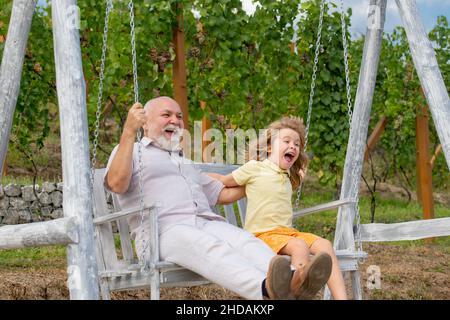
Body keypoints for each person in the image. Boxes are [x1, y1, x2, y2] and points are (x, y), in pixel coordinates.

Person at [104, 96, 304, 300]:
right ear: (144, 123)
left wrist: (265, 173)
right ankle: (266, 290)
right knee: (208, 246)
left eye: (179, 116)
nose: (175, 120)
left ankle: (294, 282)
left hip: (205, 223)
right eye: (166, 114)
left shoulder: (185, 162)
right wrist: (129, 132)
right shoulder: (132, 151)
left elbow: (223, 193)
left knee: (244, 241)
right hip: (162, 232)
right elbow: (116, 184)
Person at [208, 116, 348, 300]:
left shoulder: (288, 176)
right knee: (299, 246)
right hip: (262, 235)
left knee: (325, 245)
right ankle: (297, 288)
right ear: (269, 147)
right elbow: (225, 182)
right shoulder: (255, 168)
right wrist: (197, 176)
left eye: (297, 144)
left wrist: (301, 168)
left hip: (287, 234)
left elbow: (296, 176)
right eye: (287, 141)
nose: (293, 146)